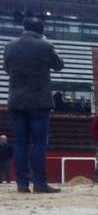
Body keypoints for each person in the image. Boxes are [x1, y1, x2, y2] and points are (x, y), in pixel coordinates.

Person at [3, 16, 64, 193]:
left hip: (16, 100)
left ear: (24, 28)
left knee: (20, 143)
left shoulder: (10, 46)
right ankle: (39, 183)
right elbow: (59, 65)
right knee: (39, 143)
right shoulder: (45, 46)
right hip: (39, 101)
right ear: (41, 31)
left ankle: (22, 184)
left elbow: (7, 69)